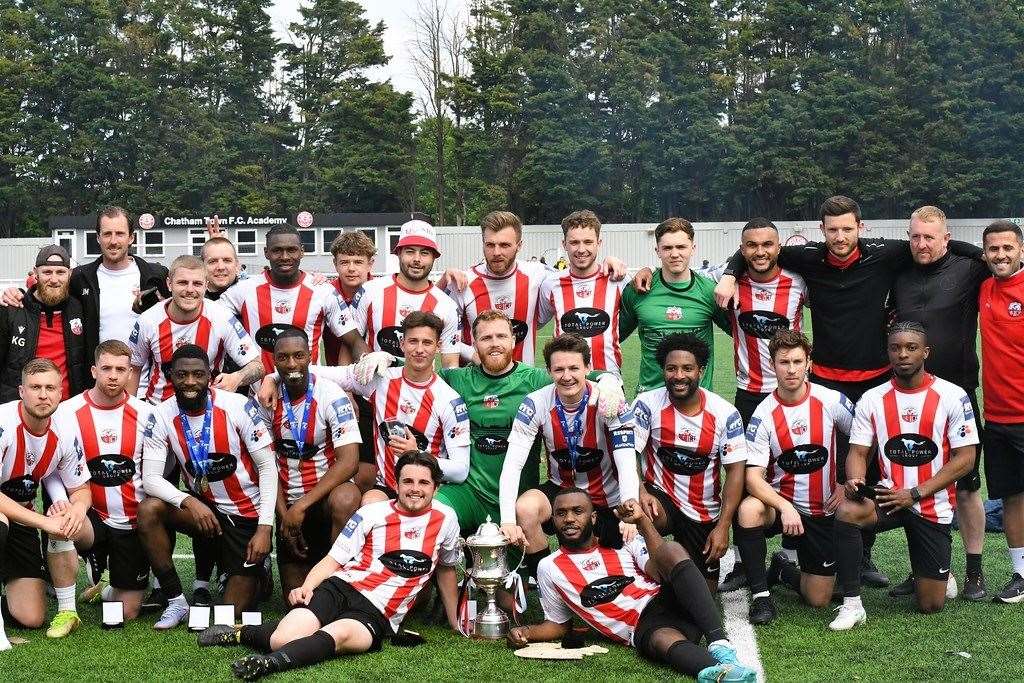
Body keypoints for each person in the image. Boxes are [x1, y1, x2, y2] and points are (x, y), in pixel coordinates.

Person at [715, 196, 981, 587]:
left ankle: (862, 556)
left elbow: (938, 246)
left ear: (861, 228)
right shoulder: (808, 258)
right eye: (832, 230)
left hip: (874, 380)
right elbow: (759, 250)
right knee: (826, 466)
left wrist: (975, 251)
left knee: (872, 468)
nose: (840, 237)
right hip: (826, 380)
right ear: (822, 231)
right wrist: (727, 272)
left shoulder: (886, 253)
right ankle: (799, 552)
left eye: (847, 229)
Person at [196, 450, 463, 681]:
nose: (415, 488)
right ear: (396, 483)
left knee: (339, 635)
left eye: (423, 483)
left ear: (435, 487)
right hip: (341, 588)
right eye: (408, 481)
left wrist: (455, 622)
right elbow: (334, 560)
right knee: (282, 638)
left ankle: (267, 664)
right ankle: (242, 633)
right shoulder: (371, 513)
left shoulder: (446, 519)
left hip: (378, 613)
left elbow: (446, 569)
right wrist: (307, 587)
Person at [508, 488, 756, 683]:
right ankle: (721, 672)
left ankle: (720, 643)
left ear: (593, 517)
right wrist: (527, 632)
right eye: (561, 513)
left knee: (671, 549)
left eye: (577, 511)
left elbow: (661, 568)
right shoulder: (549, 567)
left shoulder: (622, 542)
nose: (569, 519)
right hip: (642, 626)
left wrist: (642, 522)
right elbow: (558, 625)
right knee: (661, 640)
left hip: (671, 600)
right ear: (554, 519)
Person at [829, 322, 978, 630]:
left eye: (911, 348)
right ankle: (852, 604)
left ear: (926, 352)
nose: (903, 355)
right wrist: (855, 479)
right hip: (888, 496)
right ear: (888, 353)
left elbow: (965, 459)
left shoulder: (952, 396)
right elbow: (858, 452)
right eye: (895, 348)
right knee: (847, 510)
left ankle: (935, 571)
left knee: (931, 605)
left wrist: (915, 493)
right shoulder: (873, 398)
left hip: (930, 504)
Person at [431, 309, 625, 535]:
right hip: (470, 490)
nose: (495, 344)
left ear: (513, 340)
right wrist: (388, 358)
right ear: (474, 344)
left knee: (513, 567)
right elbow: (419, 370)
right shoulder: (458, 380)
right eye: (486, 338)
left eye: (501, 336)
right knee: (434, 515)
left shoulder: (536, 380)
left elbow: (579, 374)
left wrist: (609, 380)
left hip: (518, 493)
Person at [260, 312, 470, 504]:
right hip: (387, 488)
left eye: (427, 342)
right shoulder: (379, 379)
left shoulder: (449, 400)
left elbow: (460, 470)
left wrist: (418, 453)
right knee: (369, 503)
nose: (419, 349)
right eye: (413, 341)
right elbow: (316, 371)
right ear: (402, 343)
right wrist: (273, 376)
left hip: (427, 490)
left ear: (438, 346)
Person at [138, 344, 277, 629]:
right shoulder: (161, 415)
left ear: (210, 375)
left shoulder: (237, 406)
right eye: (182, 375)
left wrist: (265, 528)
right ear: (170, 376)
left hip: (245, 515)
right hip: (204, 510)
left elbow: (267, 467)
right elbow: (150, 477)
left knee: (233, 610)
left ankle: (254, 570)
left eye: (198, 375)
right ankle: (176, 600)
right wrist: (190, 502)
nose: (190, 382)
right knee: (149, 509)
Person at [890, 206, 990, 600]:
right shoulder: (898, 274)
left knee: (966, 486)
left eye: (930, 237)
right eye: (915, 236)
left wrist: (972, 251)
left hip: (959, 393)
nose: (921, 244)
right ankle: (924, 570)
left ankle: (974, 571)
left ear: (946, 238)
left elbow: (993, 257)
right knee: (913, 483)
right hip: (910, 397)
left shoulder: (969, 269)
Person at [734, 331, 854, 624]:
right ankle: (761, 597)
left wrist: (842, 481)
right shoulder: (763, 414)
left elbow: (863, 441)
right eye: (783, 362)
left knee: (818, 599)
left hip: (820, 509)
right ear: (772, 365)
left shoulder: (833, 401)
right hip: (780, 505)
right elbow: (753, 477)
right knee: (749, 509)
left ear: (808, 363)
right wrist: (785, 506)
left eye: (797, 361)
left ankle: (783, 570)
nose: (791, 369)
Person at [498, 334, 638, 580]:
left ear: (588, 368)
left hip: (606, 498)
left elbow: (627, 461)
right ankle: (545, 582)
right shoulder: (536, 402)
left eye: (574, 368)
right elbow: (513, 464)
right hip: (560, 491)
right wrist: (508, 520)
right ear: (549, 371)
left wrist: (629, 509)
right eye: (559, 369)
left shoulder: (609, 399)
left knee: (614, 574)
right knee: (526, 508)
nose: (567, 376)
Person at [633, 333, 747, 591]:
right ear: (663, 370)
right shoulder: (647, 404)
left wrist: (723, 526)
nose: (679, 376)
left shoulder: (725, 413)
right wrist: (640, 490)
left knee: (704, 591)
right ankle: (640, 559)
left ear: (701, 370)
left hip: (702, 507)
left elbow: (735, 472)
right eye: (671, 368)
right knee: (643, 514)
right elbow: (629, 452)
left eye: (687, 368)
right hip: (660, 496)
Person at [443, 210, 627, 365]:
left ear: (519, 245)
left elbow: (578, 273)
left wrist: (610, 260)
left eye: (505, 245)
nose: (497, 252)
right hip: (477, 384)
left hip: (524, 385)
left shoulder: (539, 274)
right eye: (490, 245)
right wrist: (473, 355)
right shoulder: (463, 282)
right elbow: (439, 330)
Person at [58, 340, 154, 621]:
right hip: (89, 517)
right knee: (61, 515)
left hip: (131, 520)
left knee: (128, 612)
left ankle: (107, 587)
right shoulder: (67, 412)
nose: (113, 375)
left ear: (129, 373)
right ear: (93, 371)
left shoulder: (146, 414)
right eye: (106, 368)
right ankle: (86, 561)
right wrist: (67, 503)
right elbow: (55, 467)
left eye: (120, 369)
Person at [264, 328, 362, 599]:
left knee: (347, 496)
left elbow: (349, 462)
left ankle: (342, 580)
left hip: (325, 500)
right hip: (288, 505)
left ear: (310, 356)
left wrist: (302, 506)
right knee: (294, 603)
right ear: (274, 362)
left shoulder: (331, 394)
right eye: (283, 358)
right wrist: (285, 515)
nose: (292, 364)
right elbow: (264, 465)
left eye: (299, 355)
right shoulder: (265, 399)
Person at [0, 359, 91, 639]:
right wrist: (44, 522)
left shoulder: (65, 429)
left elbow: (82, 488)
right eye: (35, 387)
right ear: (21, 391)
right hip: (5, 514)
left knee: (31, 617)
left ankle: (65, 609)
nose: (43, 395)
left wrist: (76, 510)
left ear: (60, 393)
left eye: (50, 388)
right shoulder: (3, 424)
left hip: (23, 519)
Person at [219, 223, 367, 372]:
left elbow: (354, 340)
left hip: (309, 392)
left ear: (302, 251)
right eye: (277, 250)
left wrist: (368, 361)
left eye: (291, 250)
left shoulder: (323, 292)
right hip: (258, 393)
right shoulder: (244, 290)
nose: (284, 257)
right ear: (266, 252)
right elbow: (207, 312)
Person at [128, 255, 264, 401]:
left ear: (206, 286)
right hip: (159, 412)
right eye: (182, 283)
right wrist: (128, 415)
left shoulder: (222, 318)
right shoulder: (148, 320)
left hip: (208, 411)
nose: (190, 289)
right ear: (169, 284)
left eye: (197, 284)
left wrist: (237, 378)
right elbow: (133, 369)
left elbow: (257, 366)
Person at [620, 218, 728, 394]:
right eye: (667, 248)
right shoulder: (638, 289)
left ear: (693, 248)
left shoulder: (710, 291)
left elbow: (739, 334)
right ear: (658, 251)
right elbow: (612, 337)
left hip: (696, 398)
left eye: (681, 247)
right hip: (650, 396)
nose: (675, 254)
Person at [978, 219, 1024, 603]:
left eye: (1008, 248)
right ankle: (1020, 574)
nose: (1001, 255)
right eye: (993, 249)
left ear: (1020, 250)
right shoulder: (984, 289)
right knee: (1011, 497)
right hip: (996, 417)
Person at [349, 220, 460, 368]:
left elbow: (450, 364)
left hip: (421, 390)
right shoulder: (370, 291)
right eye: (410, 251)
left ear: (434, 257)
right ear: (399, 253)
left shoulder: (447, 306)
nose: (417, 259)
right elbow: (350, 342)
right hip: (375, 389)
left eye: (424, 253)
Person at [538, 210, 628, 375]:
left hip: (609, 380)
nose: (581, 249)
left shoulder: (618, 279)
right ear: (564, 244)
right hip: (566, 381)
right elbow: (536, 322)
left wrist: (648, 269)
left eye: (588, 242)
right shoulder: (550, 284)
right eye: (574, 242)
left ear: (598, 243)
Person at [324, 231, 379, 495]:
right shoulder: (325, 293)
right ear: (335, 264)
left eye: (358, 261)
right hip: (335, 384)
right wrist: (346, 390)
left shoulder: (378, 291)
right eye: (345, 262)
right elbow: (347, 342)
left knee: (370, 470)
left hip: (373, 383)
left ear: (371, 264)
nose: (351, 268)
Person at [0, 245, 89, 402]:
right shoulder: (12, 309)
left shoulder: (80, 308)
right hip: (20, 410)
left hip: (67, 410)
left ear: (70, 273)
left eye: (60, 272)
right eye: (47, 272)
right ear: (35, 273)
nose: (54, 279)